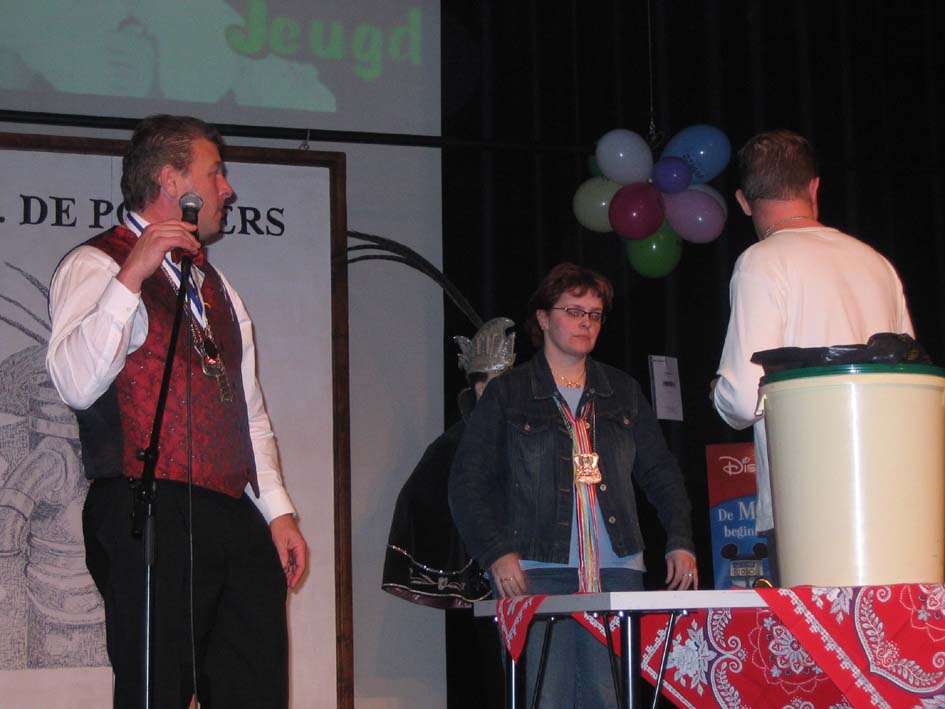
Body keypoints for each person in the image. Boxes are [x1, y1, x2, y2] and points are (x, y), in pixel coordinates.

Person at [46, 114, 306, 708]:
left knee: (256, 689)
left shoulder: (220, 287)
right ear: (171, 182)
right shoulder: (96, 265)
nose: (227, 189)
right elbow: (76, 384)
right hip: (149, 505)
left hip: (230, 512)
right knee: (156, 690)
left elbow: (247, 411)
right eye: (215, 173)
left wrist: (277, 512)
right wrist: (132, 274)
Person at [449, 263, 696, 708]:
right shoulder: (509, 392)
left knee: (610, 697)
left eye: (595, 314)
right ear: (543, 318)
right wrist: (497, 553)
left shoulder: (621, 390)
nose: (586, 323)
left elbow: (662, 473)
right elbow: (467, 483)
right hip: (537, 570)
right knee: (547, 697)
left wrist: (680, 540)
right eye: (574, 311)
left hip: (617, 569)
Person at [711, 129, 914, 579]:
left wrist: (718, 393)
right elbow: (908, 376)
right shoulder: (876, 263)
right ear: (814, 187)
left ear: (744, 201)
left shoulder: (761, 262)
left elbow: (743, 399)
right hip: (890, 499)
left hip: (808, 504)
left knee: (815, 626)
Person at [382, 316, 516, 608]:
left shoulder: (523, 432)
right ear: (478, 388)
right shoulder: (455, 444)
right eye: (490, 384)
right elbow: (423, 498)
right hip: (488, 570)